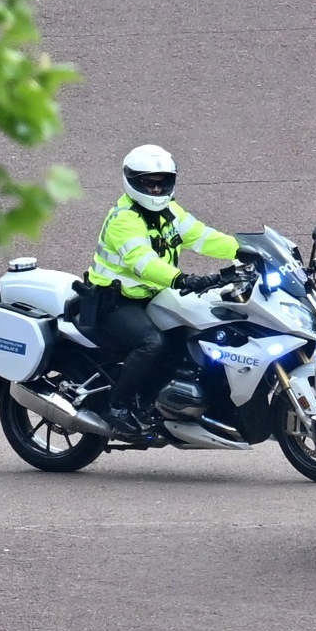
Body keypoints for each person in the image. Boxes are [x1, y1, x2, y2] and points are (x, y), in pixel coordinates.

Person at [77, 143, 240, 422]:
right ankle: (117, 408)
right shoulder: (124, 220)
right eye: (148, 184)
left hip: (150, 296)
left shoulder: (170, 212)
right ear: (132, 182)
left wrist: (244, 249)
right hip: (114, 301)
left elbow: (203, 236)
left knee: (192, 332)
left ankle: (164, 402)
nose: (155, 190)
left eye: (161, 183)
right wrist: (180, 278)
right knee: (151, 342)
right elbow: (144, 262)